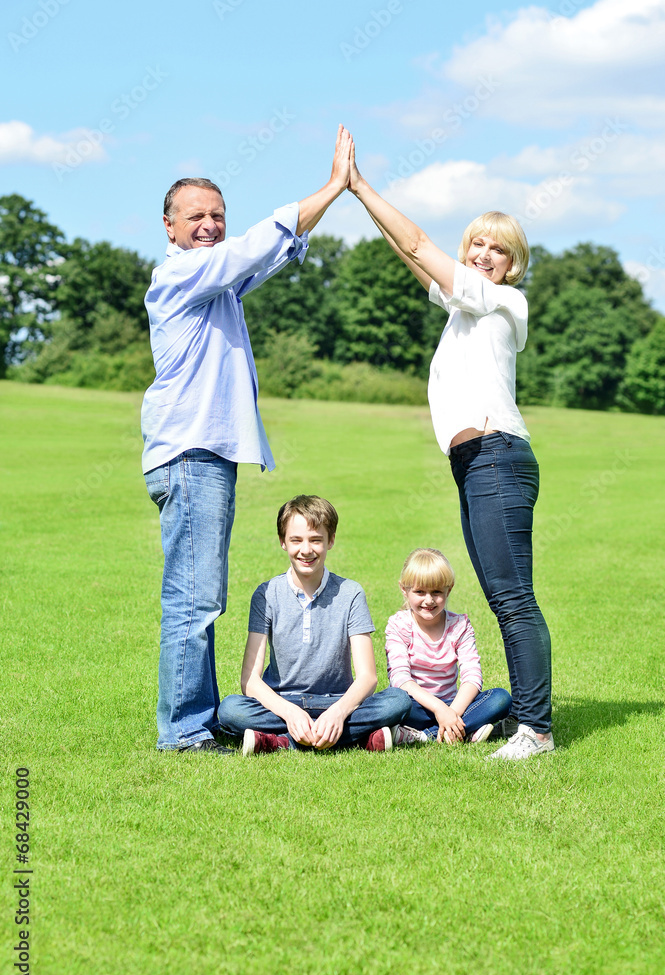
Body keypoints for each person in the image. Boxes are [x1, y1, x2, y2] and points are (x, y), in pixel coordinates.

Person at [142, 128, 355, 753]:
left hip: (205, 456)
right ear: (169, 226)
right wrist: (333, 187)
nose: (209, 225)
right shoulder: (179, 275)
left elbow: (262, 259)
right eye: (195, 216)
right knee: (194, 598)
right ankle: (183, 732)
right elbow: (254, 247)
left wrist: (311, 224)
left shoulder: (215, 284)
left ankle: (198, 722)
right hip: (190, 455)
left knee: (201, 595)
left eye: (218, 216)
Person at [347, 135, 554, 760]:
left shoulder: (503, 302)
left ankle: (537, 730)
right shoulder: (465, 306)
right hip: (476, 464)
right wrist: (364, 207)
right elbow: (412, 258)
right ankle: (520, 717)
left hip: (498, 458)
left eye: (500, 248)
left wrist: (359, 186)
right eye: (477, 244)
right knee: (503, 595)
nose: (486, 254)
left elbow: (418, 245)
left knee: (514, 599)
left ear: (513, 265)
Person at [217, 495, 414, 754]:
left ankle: (281, 742)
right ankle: (355, 737)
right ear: (282, 542)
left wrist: (338, 713)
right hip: (282, 702)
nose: (306, 550)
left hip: (336, 701)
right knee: (230, 709)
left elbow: (368, 678)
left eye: (316, 540)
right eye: (296, 540)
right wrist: (289, 713)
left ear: (330, 540)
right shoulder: (266, 594)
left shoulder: (351, 593)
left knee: (397, 701)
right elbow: (250, 681)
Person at [386, 548, 512, 744]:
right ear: (404, 589)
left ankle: (424, 736)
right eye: (420, 592)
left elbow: (472, 677)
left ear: (449, 589)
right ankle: (466, 730)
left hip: (454, 705)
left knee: (501, 699)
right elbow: (400, 679)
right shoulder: (398, 625)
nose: (428, 600)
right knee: (392, 702)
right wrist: (439, 710)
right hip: (415, 706)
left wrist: (451, 712)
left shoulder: (460, 626)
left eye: (436, 592)